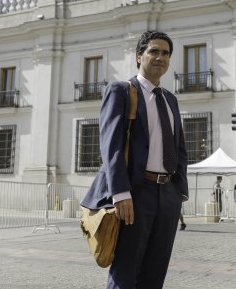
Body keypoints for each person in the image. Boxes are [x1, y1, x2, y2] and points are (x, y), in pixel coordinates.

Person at [81, 30, 189, 288]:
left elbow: (180, 147)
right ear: (139, 56)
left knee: (155, 273)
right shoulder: (121, 91)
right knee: (125, 273)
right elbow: (111, 146)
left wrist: (179, 192)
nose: (160, 57)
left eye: (165, 53)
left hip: (167, 195)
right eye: (154, 51)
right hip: (134, 194)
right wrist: (120, 192)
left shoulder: (170, 100)